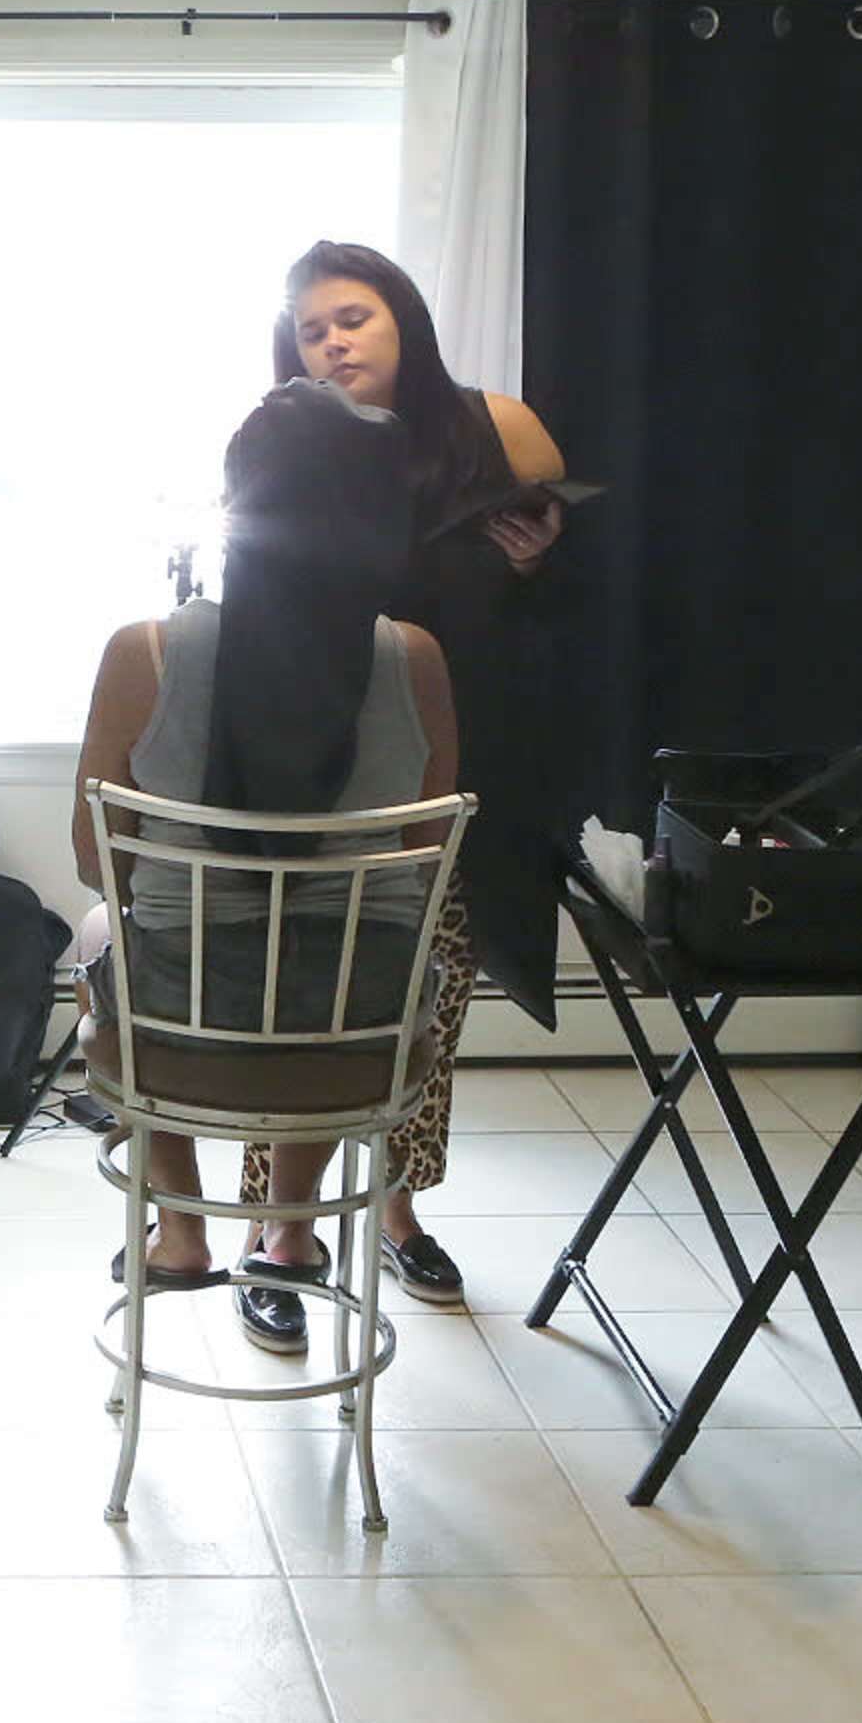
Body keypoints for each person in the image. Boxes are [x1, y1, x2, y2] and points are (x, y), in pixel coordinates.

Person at [74, 380, 460, 1354]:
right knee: (343, 959)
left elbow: (95, 857)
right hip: (352, 1047)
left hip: (177, 1036)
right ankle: (290, 1234)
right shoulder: (416, 660)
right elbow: (426, 867)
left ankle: (185, 1227)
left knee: (107, 927)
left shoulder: (146, 653)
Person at [242, 241, 581, 1311]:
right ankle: (280, 1226)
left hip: (463, 748)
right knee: (293, 995)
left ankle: (397, 1206)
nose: (334, 341)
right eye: (312, 329)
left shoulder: (499, 425)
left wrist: (536, 560)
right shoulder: (292, 440)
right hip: (320, 749)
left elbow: (589, 598)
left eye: (354, 318)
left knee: (431, 994)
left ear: (405, 323)